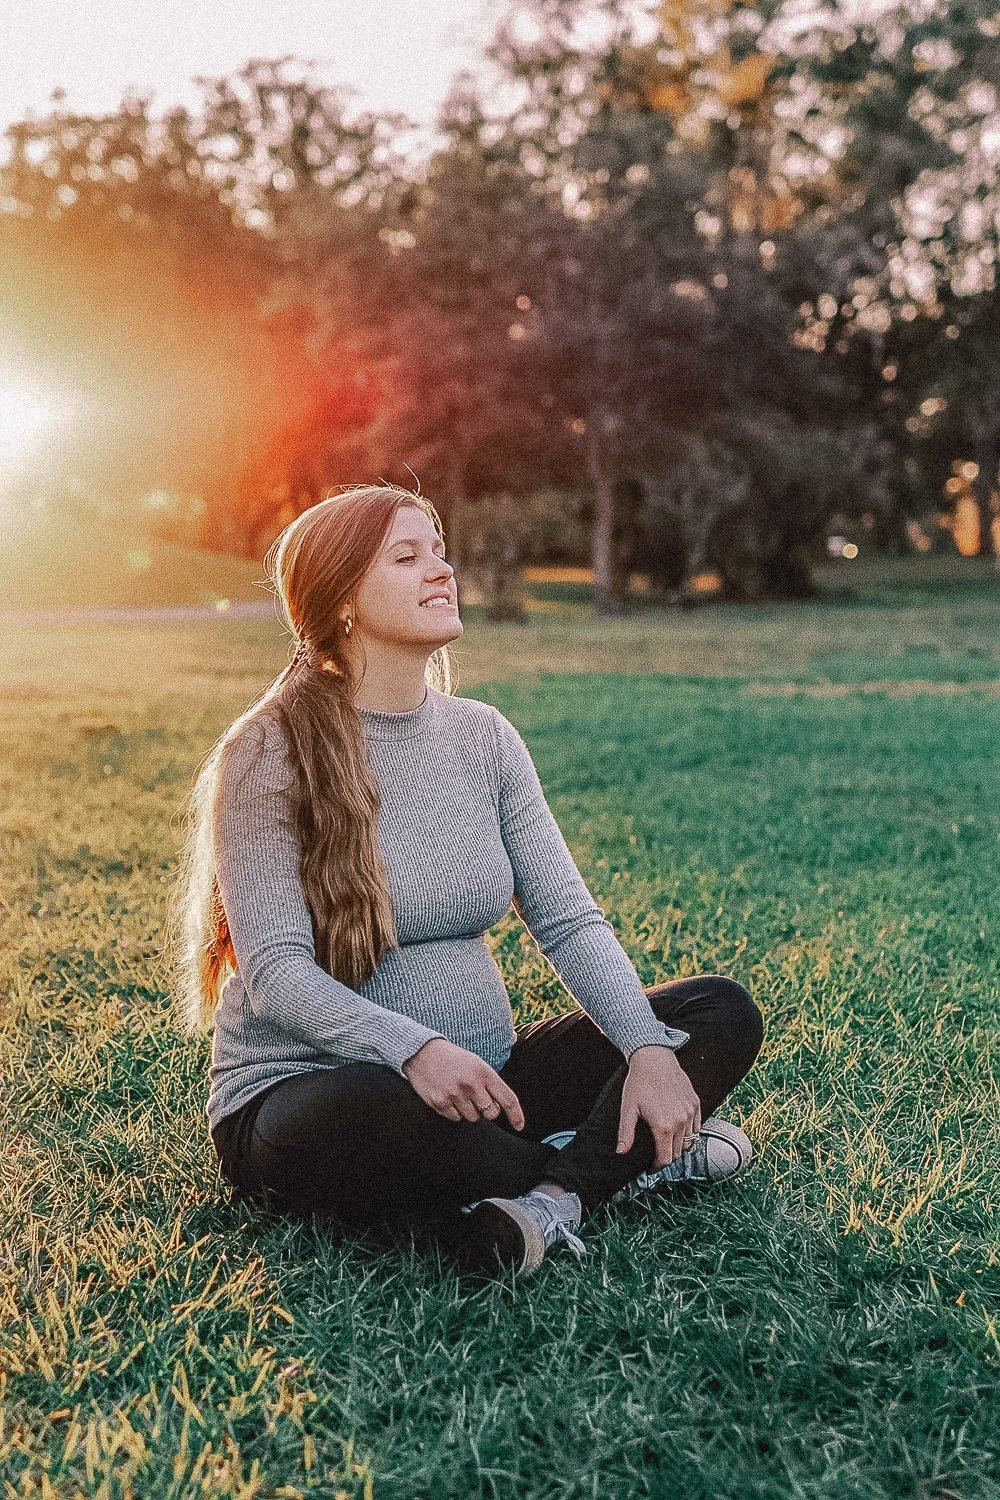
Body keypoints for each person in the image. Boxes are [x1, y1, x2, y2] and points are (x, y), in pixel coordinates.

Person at [170, 482, 764, 1278]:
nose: (440, 570)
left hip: (491, 1082)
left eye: (439, 551)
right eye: (407, 557)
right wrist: (415, 1052)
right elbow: (276, 975)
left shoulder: (483, 736)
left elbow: (566, 920)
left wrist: (648, 1048)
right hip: (311, 1100)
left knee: (715, 1011)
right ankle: (627, 1164)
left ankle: (545, 1197)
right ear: (342, 598)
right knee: (377, 1107)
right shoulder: (268, 749)